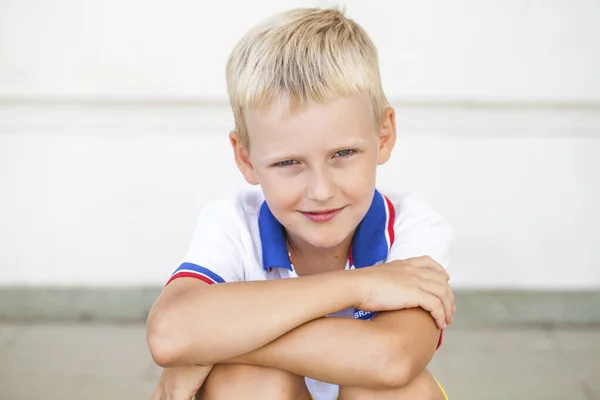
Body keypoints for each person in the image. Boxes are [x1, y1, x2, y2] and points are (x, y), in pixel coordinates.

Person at [146, 7, 455, 400]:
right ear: (245, 157)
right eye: (289, 163)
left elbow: (389, 359)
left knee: (395, 391)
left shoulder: (415, 227)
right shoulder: (231, 222)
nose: (321, 190)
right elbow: (170, 333)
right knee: (245, 383)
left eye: (343, 153)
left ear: (384, 135)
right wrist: (361, 284)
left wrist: (212, 344)